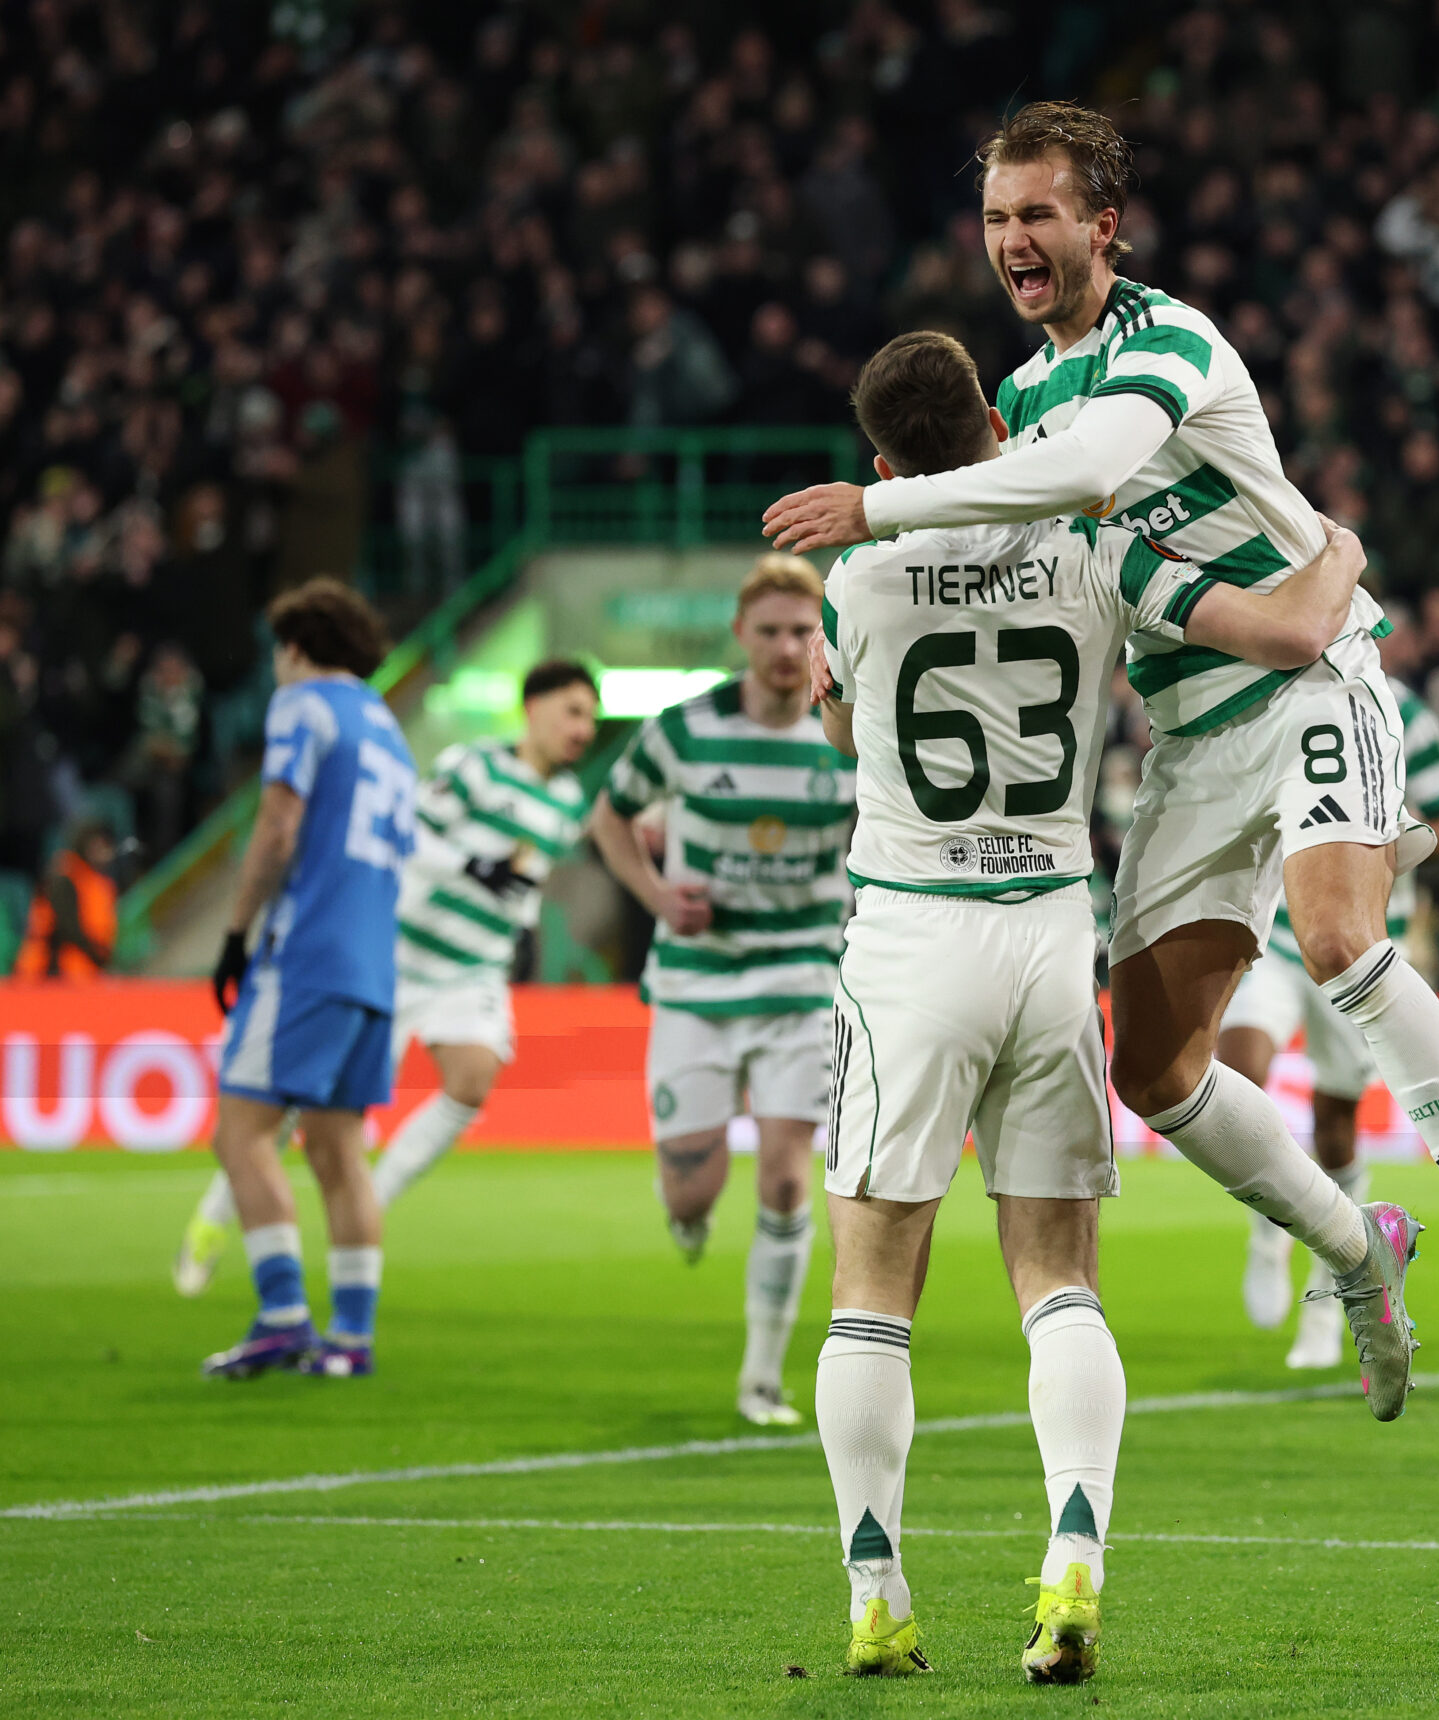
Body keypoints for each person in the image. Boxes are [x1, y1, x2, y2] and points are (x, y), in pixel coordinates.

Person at [764, 102, 1439, 1399]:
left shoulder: (1167, 339)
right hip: (1193, 733)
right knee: (1153, 1066)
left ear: (1102, 227)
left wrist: (876, 508)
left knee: (1342, 940)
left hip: (1307, 680)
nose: (1014, 240)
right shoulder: (1016, 399)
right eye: (995, 219)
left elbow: (1090, 477)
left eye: (1038, 214)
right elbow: (1027, 531)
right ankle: (1361, 1253)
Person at [809, 331, 1370, 1679]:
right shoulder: (1092, 549)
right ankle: (1074, 1556)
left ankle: (876, 1588)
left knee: (874, 1291)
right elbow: (1286, 623)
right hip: (1054, 927)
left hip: (910, 933)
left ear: (883, 465)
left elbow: (845, 730)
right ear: (1002, 419)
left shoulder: (855, 573)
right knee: (1057, 1283)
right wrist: (1337, 544)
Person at [173, 661, 601, 1294]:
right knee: (297, 1097)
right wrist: (469, 865)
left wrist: (525, 931)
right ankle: (212, 1220)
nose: (584, 729)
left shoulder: (566, 801)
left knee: (474, 1076)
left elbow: (526, 878)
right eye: (572, 711)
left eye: (590, 717)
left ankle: (371, 1198)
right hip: (394, 954)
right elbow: (403, 834)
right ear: (532, 708)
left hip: (470, 966)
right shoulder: (473, 767)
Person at [591, 556, 859, 1428]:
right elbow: (610, 814)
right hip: (696, 986)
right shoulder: (684, 729)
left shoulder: (850, 728)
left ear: (821, 634)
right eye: (771, 631)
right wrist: (658, 894)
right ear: (742, 636)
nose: (787, 647)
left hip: (802, 982)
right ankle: (689, 1219)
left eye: (801, 630)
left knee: (787, 1181)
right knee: (690, 1194)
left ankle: (762, 1379)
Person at [1225, 624, 1439, 1372]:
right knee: (1235, 1075)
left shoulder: (1404, 712)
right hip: (1275, 935)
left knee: (1335, 1128)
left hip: (1358, 944)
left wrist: (1367, 842)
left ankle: (1330, 1302)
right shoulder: (1260, 697)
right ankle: (1269, 1227)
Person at [200, 580, 416, 1381]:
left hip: (310, 953)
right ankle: (350, 1338)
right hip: (373, 964)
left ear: (293, 647)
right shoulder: (388, 727)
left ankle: (282, 1316)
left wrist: (233, 932)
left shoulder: (303, 705)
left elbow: (280, 820)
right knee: (337, 1147)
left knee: (240, 1133)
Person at [13, 818, 119, 980]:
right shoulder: (64, 877)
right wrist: (97, 955)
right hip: (53, 973)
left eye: (106, 845)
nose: (102, 852)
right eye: (96, 845)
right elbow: (66, 928)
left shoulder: (99, 882)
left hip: (82, 971)